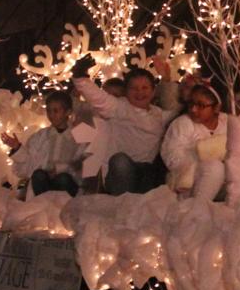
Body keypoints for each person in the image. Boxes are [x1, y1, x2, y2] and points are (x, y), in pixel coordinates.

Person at [73, 55, 180, 195]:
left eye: (144, 88)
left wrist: (166, 78)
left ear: (153, 91)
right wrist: (80, 76)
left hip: (145, 175)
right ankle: (119, 203)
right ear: (126, 91)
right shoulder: (119, 107)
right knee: (120, 161)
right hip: (121, 174)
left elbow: (177, 109)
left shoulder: (158, 114)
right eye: (134, 88)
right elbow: (97, 98)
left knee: (154, 169)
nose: (139, 92)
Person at [1, 90, 84, 196]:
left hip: (68, 187)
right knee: (38, 175)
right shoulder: (41, 136)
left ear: (68, 112)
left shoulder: (79, 136)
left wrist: (59, 169)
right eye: (49, 111)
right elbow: (26, 170)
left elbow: (83, 167)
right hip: (43, 187)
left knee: (63, 179)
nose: (51, 115)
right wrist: (17, 148)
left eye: (56, 111)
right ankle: (43, 206)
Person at [161, 83, 227, 200]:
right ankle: (196, 210)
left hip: (224, 184)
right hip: (187, 184)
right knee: (215, 167)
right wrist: (199, 155)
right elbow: (171, 155)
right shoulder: (182, 123)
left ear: (216, 108)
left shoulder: (227, 123)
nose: (193, 109)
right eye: (191, 103)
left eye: (201, 105)